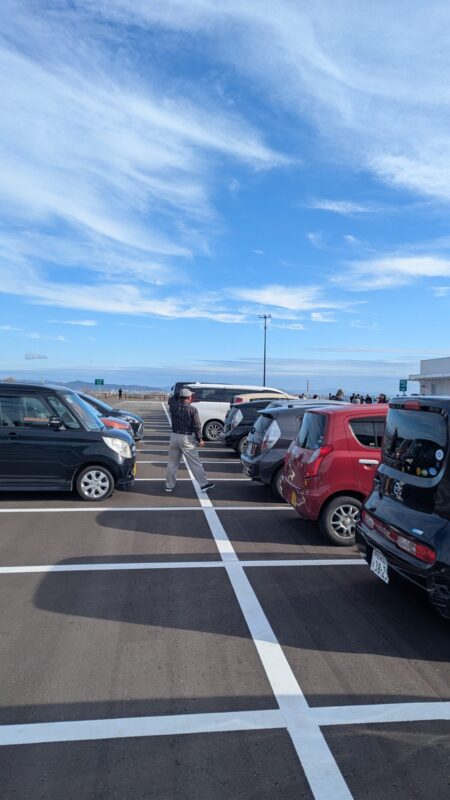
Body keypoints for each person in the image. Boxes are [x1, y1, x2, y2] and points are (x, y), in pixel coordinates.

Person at [165, 388, 215, 493]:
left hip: (174, 436)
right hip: (186, 438)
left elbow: (171, 399)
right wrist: (199, 439)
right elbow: (197, 426)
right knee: (194, 462)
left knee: (172, 463)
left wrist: (178, 394)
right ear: (189, 398)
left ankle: (169, 486)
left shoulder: (173, 407)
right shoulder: (192, 410)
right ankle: (203, 484)